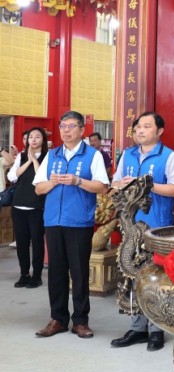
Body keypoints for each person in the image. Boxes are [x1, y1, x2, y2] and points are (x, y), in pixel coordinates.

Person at [110, 112, 174, 352]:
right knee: (132, 275)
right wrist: (122, 185)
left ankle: (156, 329)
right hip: (130, 225)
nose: (140, 131)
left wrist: (148, 184)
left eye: (146, 126)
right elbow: (115, 184)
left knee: (155, 277)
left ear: (159, 131)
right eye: (137, 127)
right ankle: (137, 328)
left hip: (157, 226)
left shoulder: (169, 156)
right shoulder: (128, 154)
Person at [32, 111, 110, 339]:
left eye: (71, 126)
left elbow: (102, 187)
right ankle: (57, 319)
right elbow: (38, 189)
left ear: (82, 130)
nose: (66, 130)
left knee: (79, 271)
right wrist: (51, 182)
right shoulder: (53, 155)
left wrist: (77, 181)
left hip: (79, 221)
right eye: (63, 126)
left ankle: (80, 321)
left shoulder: (93, 155)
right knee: (55, 272)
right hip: (53, 221)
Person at [8, 127, 48, 289]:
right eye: (30, 136)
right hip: (18, 205)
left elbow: (42, 179)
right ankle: (24, 274)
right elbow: (12, 176)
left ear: (43, 140)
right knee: (22, 243)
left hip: (36, 206)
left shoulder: (48, 157)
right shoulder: (22, 157)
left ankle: (36, 276)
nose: (33, 139)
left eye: (37, 137)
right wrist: (29, 161)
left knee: (37, 243)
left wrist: (36, 161)